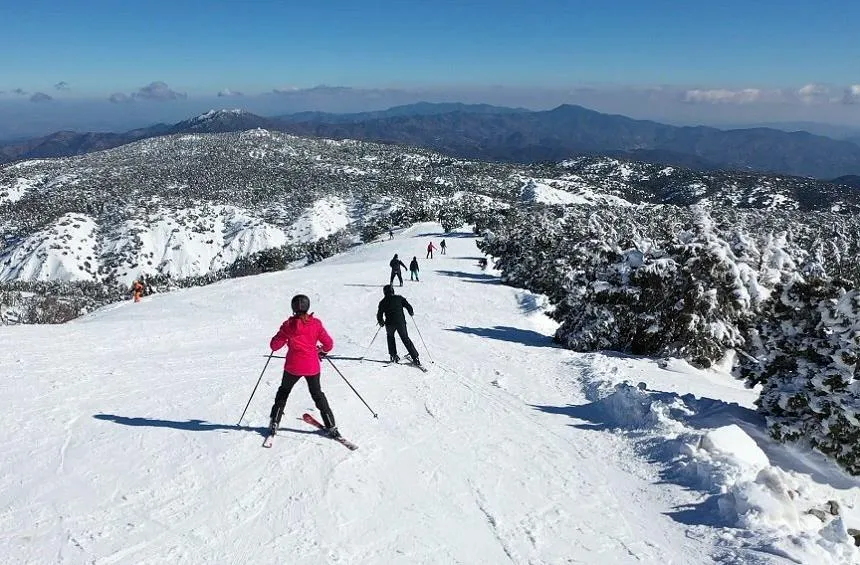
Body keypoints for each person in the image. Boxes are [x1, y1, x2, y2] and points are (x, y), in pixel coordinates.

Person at [267, 294, 338, 437]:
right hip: (312, 366)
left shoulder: (288, 325)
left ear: (293, 308)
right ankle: (331, 425)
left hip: (293, 366)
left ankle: (275, 421)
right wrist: (320, 351)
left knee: (284, 392)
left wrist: (280, 337)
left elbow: (274, 346)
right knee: (317, 395)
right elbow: (329, 344)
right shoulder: (316, 324)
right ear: (308, 307)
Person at [377, 285, 421, 366]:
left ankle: (393, 355)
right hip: (400, 322)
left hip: (389, 323)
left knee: (390, 337)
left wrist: (381, 321)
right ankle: (415, 357)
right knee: (405, 338)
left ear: (384, 292)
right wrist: (410, 311)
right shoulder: (399, 298)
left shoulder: (382, 302)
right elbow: (408, 305)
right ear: (392, 291)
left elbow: (379, 314)